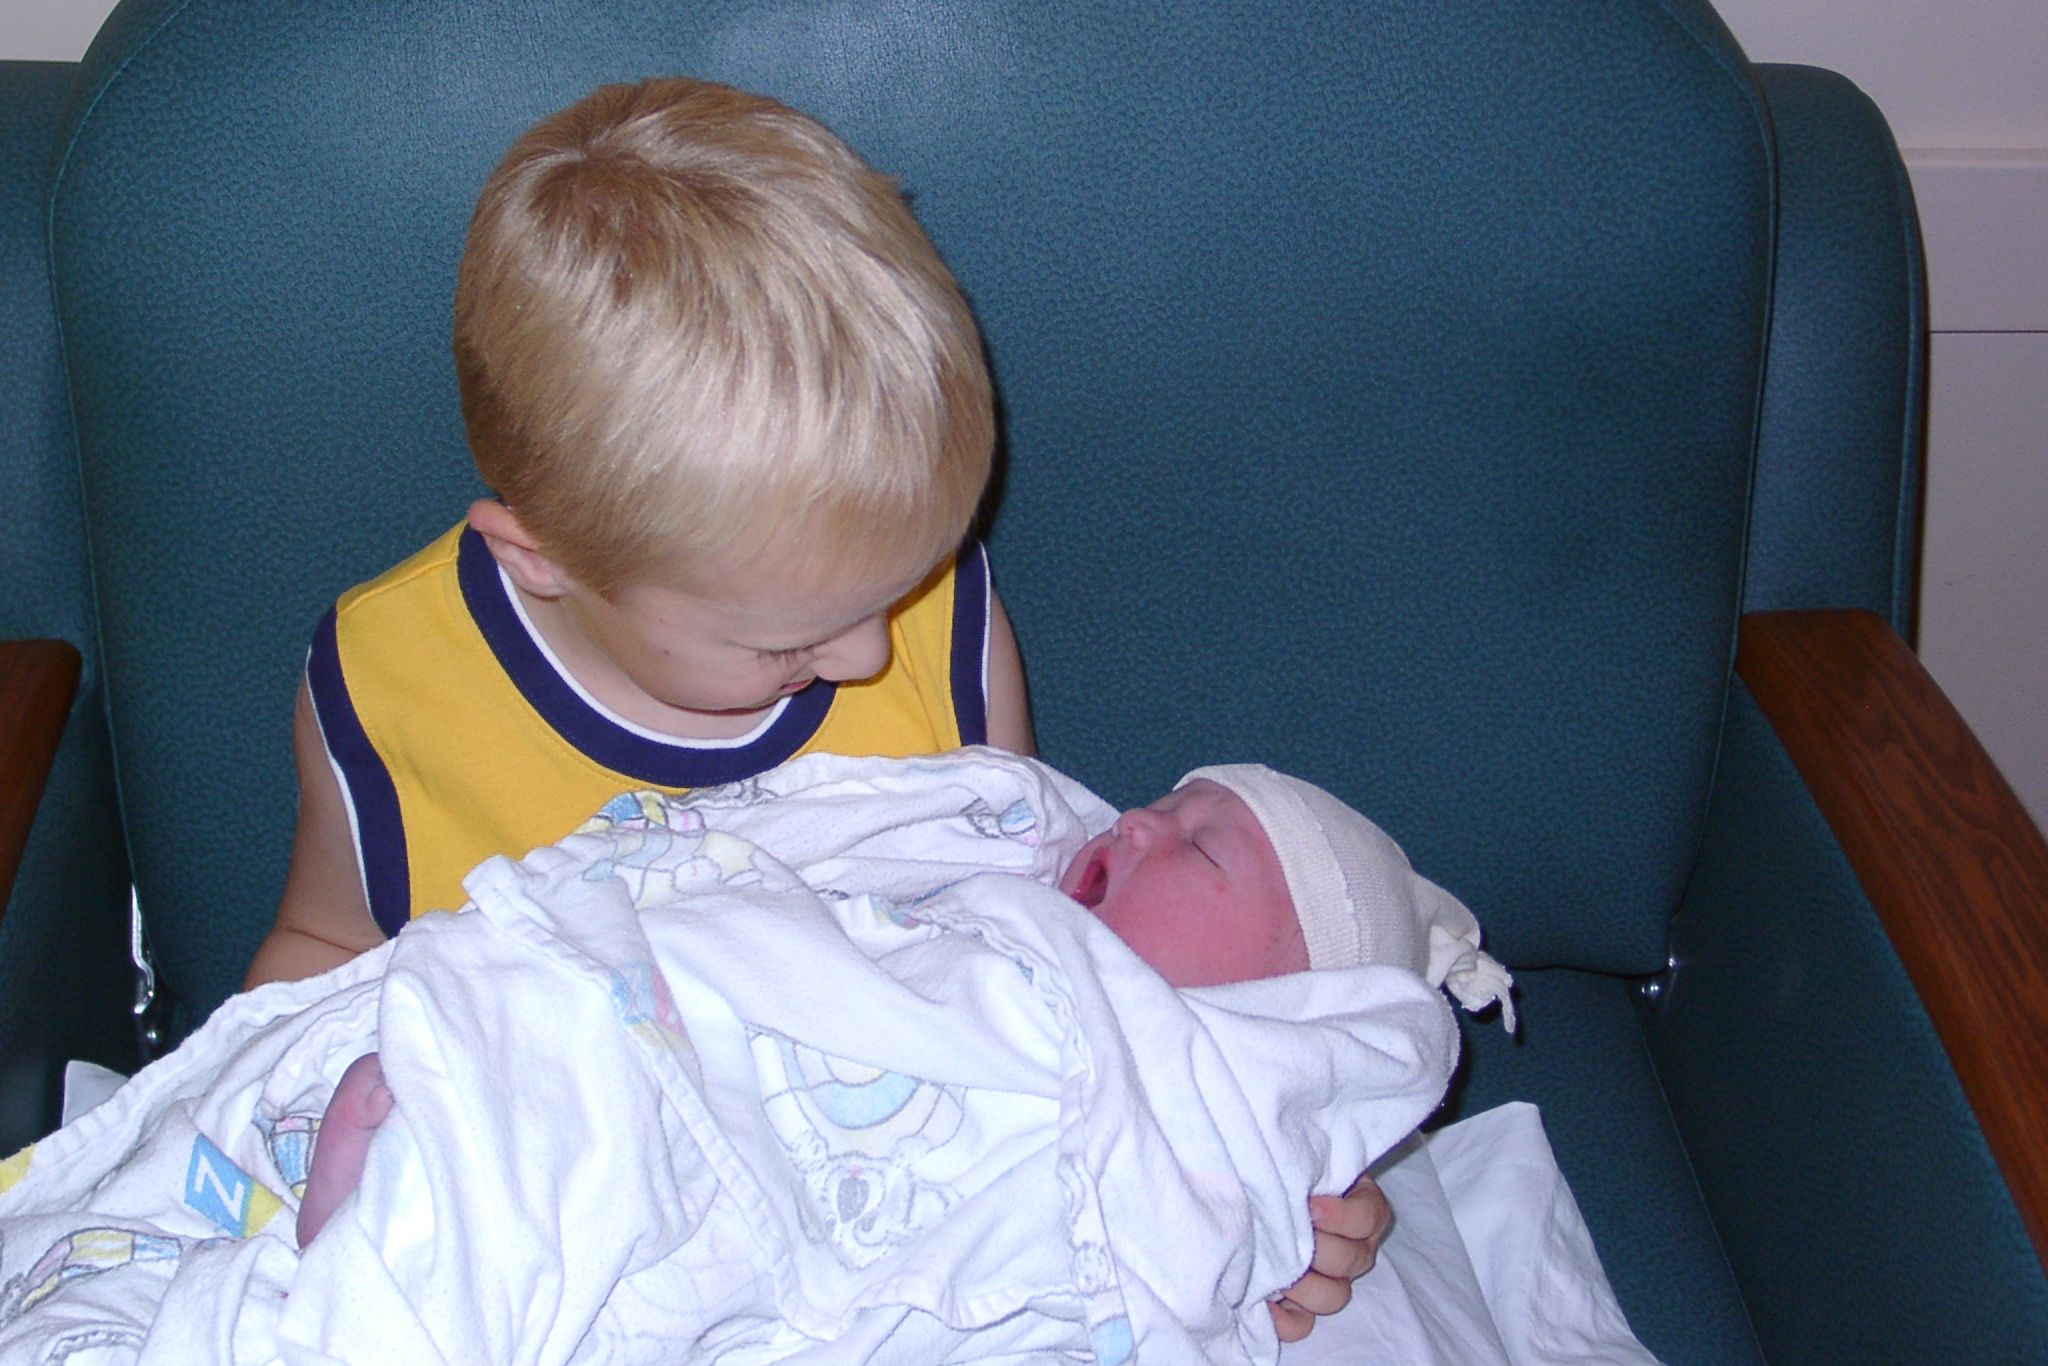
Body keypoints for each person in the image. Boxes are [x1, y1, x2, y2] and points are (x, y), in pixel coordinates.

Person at [239, 76, 1385, 1325]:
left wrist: (1259, 1171)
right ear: (541, 559)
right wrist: (269, 1130)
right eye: (788, 640)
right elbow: (322, 960)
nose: (867, 659)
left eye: (899, 589)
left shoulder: (936, 622)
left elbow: (1042, 961)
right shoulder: (390, 688)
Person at [294, 757, 1511, 1357]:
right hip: (717, 1097)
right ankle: (404, 1256)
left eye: (1197, 851)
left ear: (1287, 1006)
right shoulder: (989, 889)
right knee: (598, 1121)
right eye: (1164, 803)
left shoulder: (1207, 1103)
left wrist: (1289, 1195)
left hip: (853, 1262)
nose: (1135, 822)